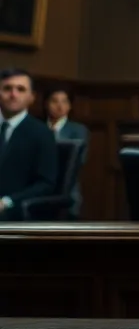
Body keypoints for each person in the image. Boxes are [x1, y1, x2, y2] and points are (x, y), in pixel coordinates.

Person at [0, 69, 58, 220]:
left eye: (20, 89)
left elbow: (46, 184)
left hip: (15, 211)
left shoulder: (42, 133)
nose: (13, 95)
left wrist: (7, 202)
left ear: (31, 97)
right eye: (7, 88)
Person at [45, 86, 89, 218]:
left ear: (70, 106)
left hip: (68, 190)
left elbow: (80, 160)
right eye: (55, 101)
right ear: (46, 104)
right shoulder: (37, 128)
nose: (59, 106)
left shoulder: (78, 130)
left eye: (64, 101)